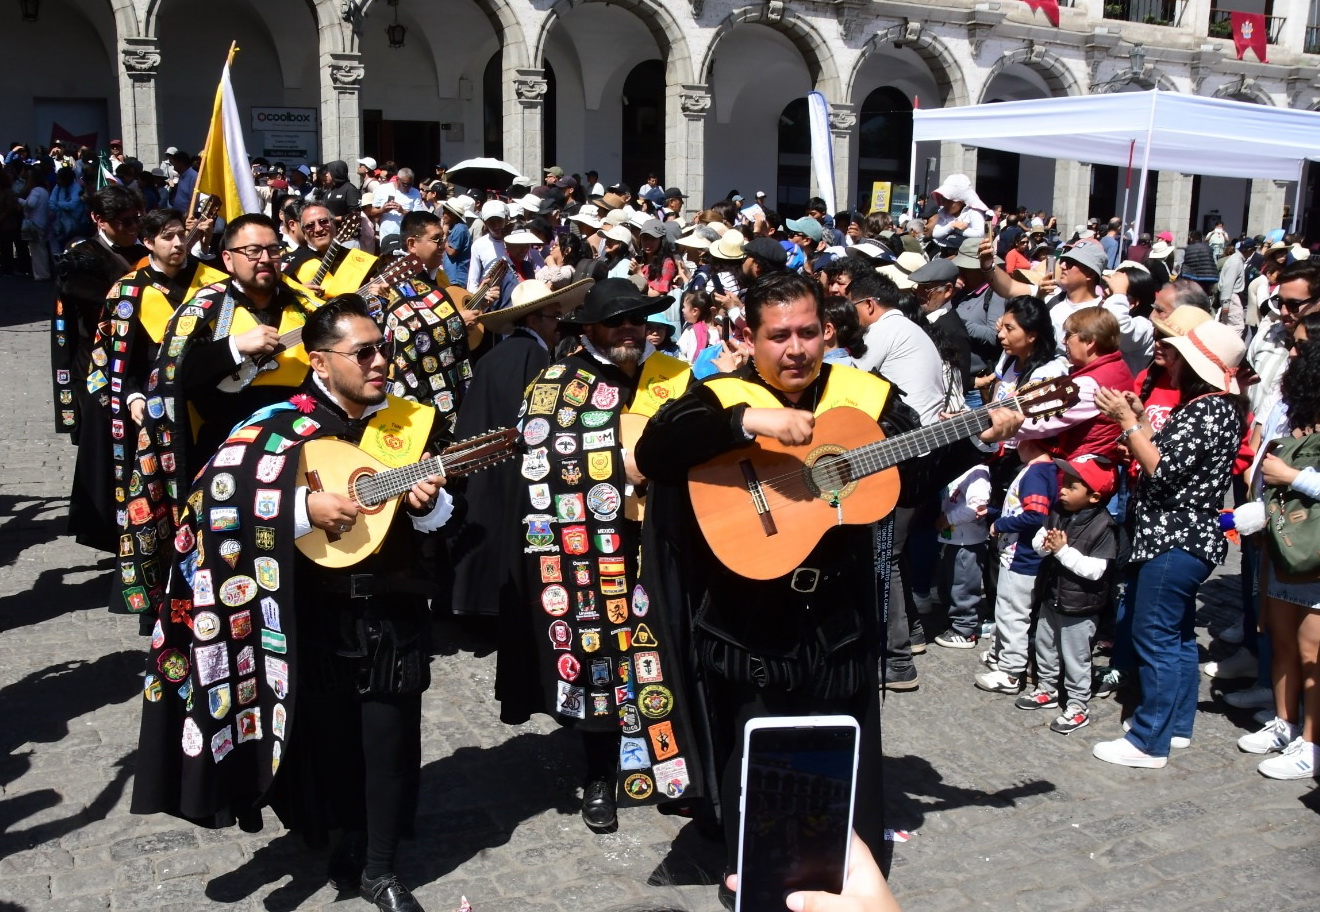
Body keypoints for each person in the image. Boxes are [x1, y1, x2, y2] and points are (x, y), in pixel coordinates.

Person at [634, 270, 1024, 876]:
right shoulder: (721, 392)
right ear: (753, 338)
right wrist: (750, 423)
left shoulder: (864, 395)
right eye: (780, 335)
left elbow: (910, 478)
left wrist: (979, 441)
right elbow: (656, 451)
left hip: (836, 618)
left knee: (833, 747)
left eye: (809, 333)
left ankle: (833, 868)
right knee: (752, 751)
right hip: (746, 619)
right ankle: (755, 874)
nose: (796, 349)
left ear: (828, 331)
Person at [131, 296, 455, 912]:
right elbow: (212, 508)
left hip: (393, 611)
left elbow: (453, 520)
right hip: (313, 614)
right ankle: (342, 836)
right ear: (321, 362)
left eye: (382, 348)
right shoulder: (273, 426)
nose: (380, 362)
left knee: (389, 743)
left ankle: (381, 869)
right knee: (330, 741)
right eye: (363, 352)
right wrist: (303, 510)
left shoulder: (413, 423)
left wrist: (430, 505)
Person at [495, 278, 693, 832]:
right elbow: (538, 461)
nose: (629, 330)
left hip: (663, 537)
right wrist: (615, 460)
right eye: (616, 322)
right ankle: (600, 778)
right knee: (601, 658)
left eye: (638, 319)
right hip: (588, 544)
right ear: (591, 330)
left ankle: (670, 765)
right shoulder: (557, 383)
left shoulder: (675, 376)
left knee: (664, 648)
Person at [1092, 320, 1246, 768]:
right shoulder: (1213, 406)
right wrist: (1139, 420)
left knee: (1155, 636)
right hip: (1181, 538)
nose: (1169, 360)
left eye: (1177, 355)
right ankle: (1175, 726)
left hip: (1174, 539)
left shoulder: (1207, 409)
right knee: (1175, 637)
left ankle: (1148, 739)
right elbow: (1173, 460)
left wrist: (1126, 423)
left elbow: (1160, 468)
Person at [447, 278, 593, 618]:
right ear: (533, 319)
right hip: (512, 465)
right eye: (553, 316)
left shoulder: (494, 355)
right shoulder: (537, 356)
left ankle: (471, 605)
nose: (560, 325)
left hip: (479, 462)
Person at [1236, 314, 1320, 779]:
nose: (1290, 354)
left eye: (1301, 347)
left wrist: (1295, 478)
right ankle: (1285, 723)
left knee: (1314, 653)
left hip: (1316, 547)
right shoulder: (1293, 407)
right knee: (1283, 639)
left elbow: (1289, 473)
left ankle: (1313, 742)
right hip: (1283, 538)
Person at [53, 185, 147, 551]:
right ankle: (109, 531)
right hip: (97, 369)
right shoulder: (80, 258)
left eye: (138, 219)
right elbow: (91, 295)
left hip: (137, 364)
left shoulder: (142, 252)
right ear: (99, 220)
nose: (133, 227)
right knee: (106, 451)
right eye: (124, 221)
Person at [1015, 455, 1118, 735]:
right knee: (1045, 648)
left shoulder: (1104, 528)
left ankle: (1077, 706)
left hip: (1080, 607)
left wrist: (1062, 551)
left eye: (1072, 486)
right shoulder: (1058, 511)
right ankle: (1046, 689)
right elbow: (1040, 539)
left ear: (1094, 497)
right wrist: (1045, 545)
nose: (1062, 489)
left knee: (1076, 659)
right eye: (1065, 483)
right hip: (1052, 597)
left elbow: (1095, 571)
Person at [975, 436, 1058, 695]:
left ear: (1032, 442)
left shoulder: (1036, 473)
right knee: (1005, 609)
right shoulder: (1041, 470)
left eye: (1019, 440)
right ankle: (1000, 654)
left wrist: (1000, 525)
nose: (1014, 445)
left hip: (1022, 556)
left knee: (1013, 613)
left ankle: (1011, 672)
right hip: (1017, 553)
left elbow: (1035, 514)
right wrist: (992, 513)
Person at [932, 462, 992, 649]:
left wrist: (948, 519)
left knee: (964, 585)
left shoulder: (977, 472)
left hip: (968, 542)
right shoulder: (959, 468)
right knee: (951, 582)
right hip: (953, 538)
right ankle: (955, 622)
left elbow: (977, 507)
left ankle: (964, 630)